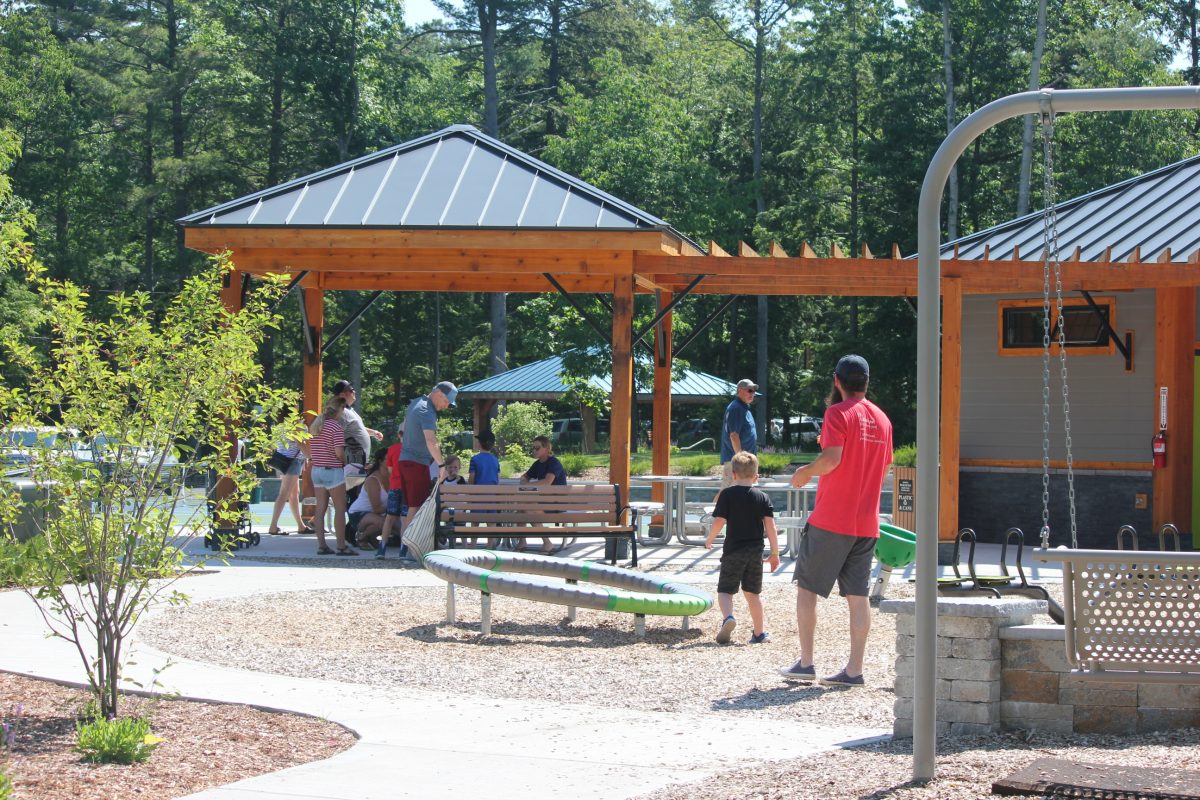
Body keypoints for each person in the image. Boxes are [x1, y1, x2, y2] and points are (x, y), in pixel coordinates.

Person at [780, 354, 892, 687]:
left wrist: (805, 472)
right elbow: (884, 468)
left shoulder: (837, 413)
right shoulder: (884, 420)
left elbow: (831, 459)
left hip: (832, 519)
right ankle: (854, 670)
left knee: (807, 590)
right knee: (858, 597)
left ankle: (806, 663)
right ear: (867, 382)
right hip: (867, 522)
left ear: (837, 380)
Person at [704, 451, 781, 645]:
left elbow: (719, 521)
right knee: (753, 594)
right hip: (755, 552)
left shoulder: (727, 495)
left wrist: (710, 539)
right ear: (756, 476)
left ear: (734, 474)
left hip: (733, 551)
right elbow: (771, 527)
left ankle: (728, 617)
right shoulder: (762, 497)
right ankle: (759, 633)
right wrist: (774, 553)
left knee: (725, 590)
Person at [396, 381, 457, 537]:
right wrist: (442, 465)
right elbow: (431, 441)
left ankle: (407, 549)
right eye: (446, 401)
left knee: (412, 506)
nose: (447, 406)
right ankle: (410, 550)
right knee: (417, 506)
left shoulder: (417, 402)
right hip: (415, 462)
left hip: (407, 461)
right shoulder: (426, 410)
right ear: (438, 393)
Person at [304, 396, 357, 556]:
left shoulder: (316, 425)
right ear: (339, 410)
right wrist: (348, 461)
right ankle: (341, 546)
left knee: (320, 510)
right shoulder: (336, 427)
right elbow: (338, 453)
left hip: (317, 470)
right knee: (340, 510)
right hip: (333, 471)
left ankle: (322, 545)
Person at [332, 380, 384, 488]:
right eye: (350, 390)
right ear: (342, 395)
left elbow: (357, 428)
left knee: (354, 495)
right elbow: (335, 434)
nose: (354, 391)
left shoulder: (350, 410)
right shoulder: (341, 412)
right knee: (349, 496)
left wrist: (373, 433)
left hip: (357, 463)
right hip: (351, 463)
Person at [520, 434, 566, 554]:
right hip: (543, 502)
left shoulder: (553, 462)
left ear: (546, 449)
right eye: (533, 448)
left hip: (556, 504)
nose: (534, 451)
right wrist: (525, 482)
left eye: (537, 448)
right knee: (519, 509)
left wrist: (527, 486)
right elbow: (524, 477)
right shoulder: (537, 464)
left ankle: (547, 542)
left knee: (528, 509)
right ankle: (522, 541)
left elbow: (547, 483)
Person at [267, 431, 309, 536]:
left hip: (283, 460)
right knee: (284, 494)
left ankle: (301, 525)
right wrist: (309, 455)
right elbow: (299, 443)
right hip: (292, 461)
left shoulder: (279, 425)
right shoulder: (295, 424)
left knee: (294, 494)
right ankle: (273, 526)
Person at [719, 379, 759, 488]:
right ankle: (716, 506)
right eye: (750, 390)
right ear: (740, 390)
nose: (753, 393)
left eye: (754, 391)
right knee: (726, 493)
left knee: (742, 495)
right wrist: (741, 459)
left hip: (744, 462)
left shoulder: (744, 408)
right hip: (737, 463)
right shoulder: (736, 408)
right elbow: (734, 435)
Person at [348, 448, 389, 549]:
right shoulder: (373, 480)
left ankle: (372, 537)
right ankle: (362, 537)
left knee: (396, 524)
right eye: (389, 459)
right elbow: (377, 509)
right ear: (380, 461)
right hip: (358, 514)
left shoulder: (393, 477)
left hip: (377, 514)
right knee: (386, 523)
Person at [469, 431, 502, 548]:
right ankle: (490, 545)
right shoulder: (495, 460)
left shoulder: (475, 459)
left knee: (475, 521)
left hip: (478, 496)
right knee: (491, 521)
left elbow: (472, 479)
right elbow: (497, 479)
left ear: (479, 444)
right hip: (492, 496)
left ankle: (472, 545)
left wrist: (470, 491)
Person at [376, 433, 405, 559]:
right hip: (407, 487)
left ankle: (382, 547)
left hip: (394, 486)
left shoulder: (392, 449)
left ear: (399, 435)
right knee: (405, 518)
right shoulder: (414, 449)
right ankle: (403, 549)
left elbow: (390, 470)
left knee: (390, 517)